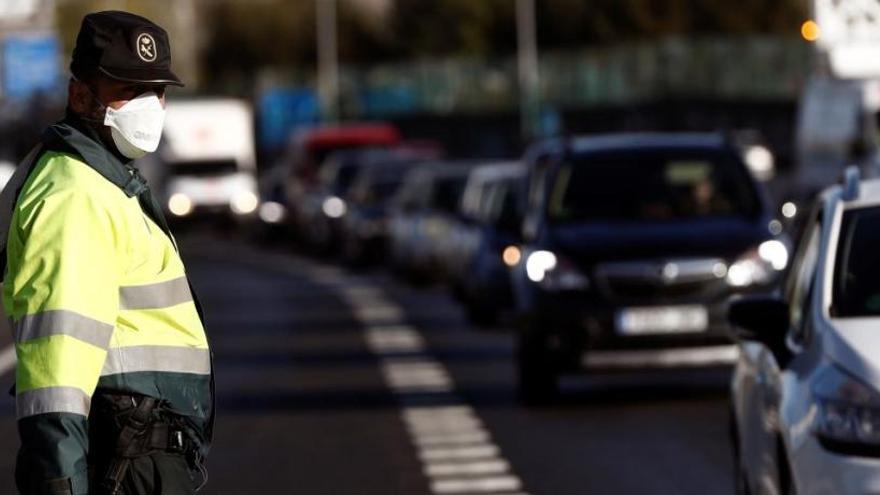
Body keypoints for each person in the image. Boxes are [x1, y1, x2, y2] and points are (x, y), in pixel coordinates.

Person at [0, 11, 213, 495]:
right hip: (124, 464)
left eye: (156, 92)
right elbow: (56, 377)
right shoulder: (75, 195)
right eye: (127, 91)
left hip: (139, 458)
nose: (149, 105)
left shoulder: (105, 181)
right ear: (79, 96)